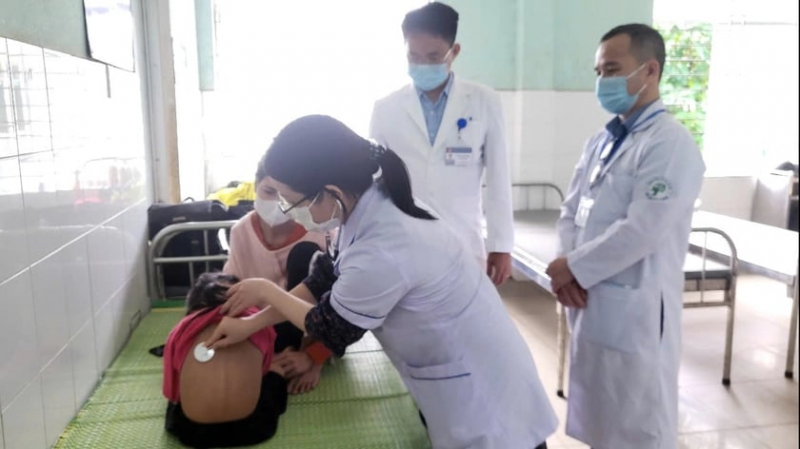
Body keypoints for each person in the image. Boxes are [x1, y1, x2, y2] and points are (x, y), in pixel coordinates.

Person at [204, 115, 557, 448]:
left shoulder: (386, 246)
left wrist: (264, 290)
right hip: (458, 371)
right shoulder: (363, 205)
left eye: (289, 199)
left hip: (486, 400)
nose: (284, 208)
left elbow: (330, 328)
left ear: (329, 192)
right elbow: (322, 278)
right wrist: (252, 323)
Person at [546, 24, 706, 449]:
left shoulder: (670, 143)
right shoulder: (602, 140)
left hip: (634, 308)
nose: (603, 82)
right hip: (593, 299)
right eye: (598, 72)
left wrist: (575, 268)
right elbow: (571, 211)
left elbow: (644, 229)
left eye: (612, 70)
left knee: (638, 424)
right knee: (603, 418)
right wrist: (567, 269)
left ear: (649, 70)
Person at [369, 2, 514, 286]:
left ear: (454, 52)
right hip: (402, 240)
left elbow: (499, 178)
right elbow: (375, 181)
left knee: (464, 323)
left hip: (462, 241)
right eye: (414, 55)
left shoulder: (484, 101)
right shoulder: (385, 109)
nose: (422, 64)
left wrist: (501, 244)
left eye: (433, 56)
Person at [223, 158, 331, 394]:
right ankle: (270, 354)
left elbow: (341, 310)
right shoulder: (241, 231)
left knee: (306, 255)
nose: (277, 202)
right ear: (256, 186)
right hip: (261, 327)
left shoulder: (320, 233)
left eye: (285, 196)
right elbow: (230, 290)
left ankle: (298, 354)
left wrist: (313, 358)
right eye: (269, 191)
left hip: (316, 332)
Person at [162, 272, 286, 448]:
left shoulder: (181, 330)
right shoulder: (257, 322)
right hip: (253, 429)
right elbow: (262, 371)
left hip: (193, 434)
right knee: (276, 372)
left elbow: (171, 392)